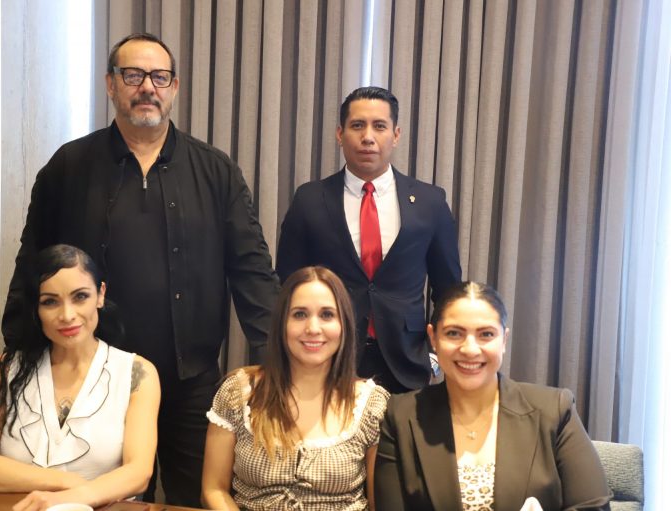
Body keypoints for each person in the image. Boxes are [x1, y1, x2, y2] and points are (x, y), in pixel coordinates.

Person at [1, 33, 280, 505]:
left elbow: (252, 270)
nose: (147, 87)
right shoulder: (68, 168)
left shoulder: (216, 171)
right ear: (111, 84)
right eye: (133, 75)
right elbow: (32, 268)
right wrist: (16, 355)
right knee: (105, 501)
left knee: (199, 499)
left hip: (191, 381)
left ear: (174, 87)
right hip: (96, 383)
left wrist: (277, 362)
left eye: (159, 77)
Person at [276, 86, 462, 394]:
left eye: (379, 126)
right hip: (329, 358)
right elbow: (287, 285)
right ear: (340, 134)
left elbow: (449, 290)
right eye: (357, 125)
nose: (368, 137)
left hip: (407, 363)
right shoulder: (310, 200)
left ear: (396, 135)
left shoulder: (430, 202)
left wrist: (434, 355)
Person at [0, 244, 161, 510]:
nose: (67, 315)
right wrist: (67, 483)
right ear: (36, 308)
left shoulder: (136, 373)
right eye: (50, 301)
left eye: (80, 297)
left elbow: (139, 472)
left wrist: (77, 496)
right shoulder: (4, 371)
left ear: (100, 294)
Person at [374, 281, 612, 510]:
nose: (470, 349)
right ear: (433, 338)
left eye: (486, 334)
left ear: (504, 340)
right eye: (454, 333)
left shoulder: (555, 410)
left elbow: (593, 506)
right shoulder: (401, 416)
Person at [201, 266, 389, 510]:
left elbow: (379, 506)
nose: (313, 328)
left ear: (344, 325)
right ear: (282, 323)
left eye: (327, 315)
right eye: (300, 314)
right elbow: (214, 489)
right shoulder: (238, 391)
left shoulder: (372, 404)